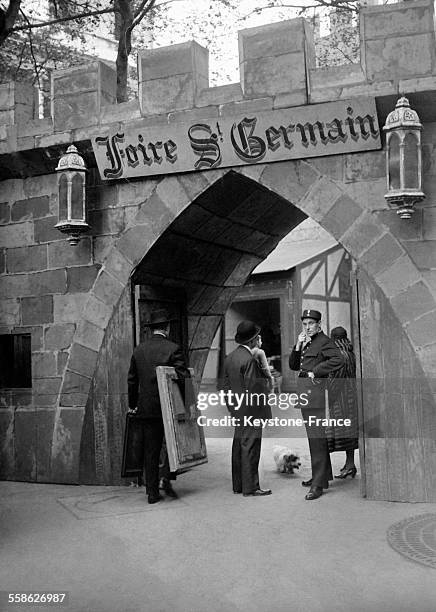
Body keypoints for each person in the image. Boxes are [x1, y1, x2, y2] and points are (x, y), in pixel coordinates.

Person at [127, 308, 191, 504]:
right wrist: (189, 404)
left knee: (151, 450)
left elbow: (132, 380)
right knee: (173, 447)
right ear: (167, 328)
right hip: (169, 408)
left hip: (146, 409)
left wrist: (133, 405)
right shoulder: (173, 349)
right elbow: (183, 377)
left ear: (151, 329)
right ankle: (167, 479)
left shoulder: (139, 350)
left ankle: (152, 493)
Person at [289, 309, 344, 500]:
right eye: (304, 324)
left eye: (311, 323)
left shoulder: (324, 341)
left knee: (317, 439)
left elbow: (339, 359)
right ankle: (322, 476)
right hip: (305, 394)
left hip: (316, 395)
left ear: (319, 324)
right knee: (314, 437)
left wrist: (317, 371)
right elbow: (294, 366)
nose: (307, 327)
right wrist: (297, 344)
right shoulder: (306, 342)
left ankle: (318, 484)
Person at [223, 320, 272, 497]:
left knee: (238, 446)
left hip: (238, 410)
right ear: (252, 341)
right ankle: (251, 487)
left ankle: (239, 485)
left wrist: (233, 409)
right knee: (251, 448)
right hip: (251, 411)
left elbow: (226, 387)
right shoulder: (250, 360)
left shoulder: (229, 358)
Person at [326, 326, 359, 479]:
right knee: (350, 430)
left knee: (343, 431)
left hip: (341, 398)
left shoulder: (338, 355)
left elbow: (335, 380)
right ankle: (349, 463)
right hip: (351, 396)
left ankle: (350, 465)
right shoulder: (350, 353)